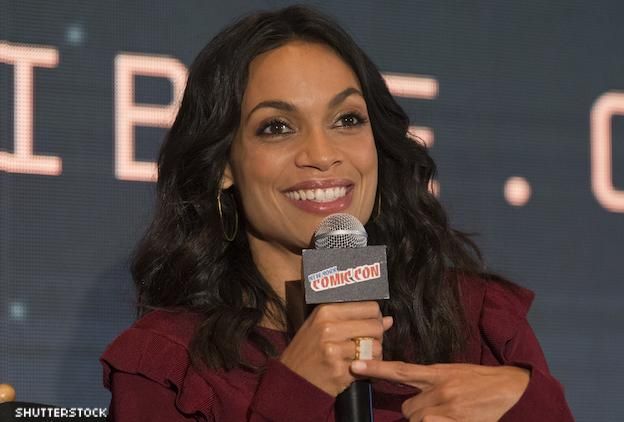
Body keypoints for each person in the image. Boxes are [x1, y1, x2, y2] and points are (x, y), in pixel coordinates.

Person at [101, 5, 574, 421]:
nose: (323, 154)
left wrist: (528, 406)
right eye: (277, 127)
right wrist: (293, 394)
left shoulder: (477, 321)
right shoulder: (168, 368)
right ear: (224, 165)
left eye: (347, 120)